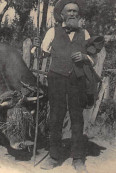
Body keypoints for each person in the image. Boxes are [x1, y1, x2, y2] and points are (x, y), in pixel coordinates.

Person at [33, 0, 100, 172]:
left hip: (77, 82)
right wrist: (36, 49)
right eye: (68, 11)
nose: (72, 14)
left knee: (77, 119)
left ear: (78, 15)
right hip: (57, 80)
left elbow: (93, 58)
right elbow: (42, 53)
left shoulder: (84, 33)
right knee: (56, 117)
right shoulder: (52, 32)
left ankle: (78, 159)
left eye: (75, 11)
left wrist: (85, 57)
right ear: (61, 14)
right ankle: (54, 157)